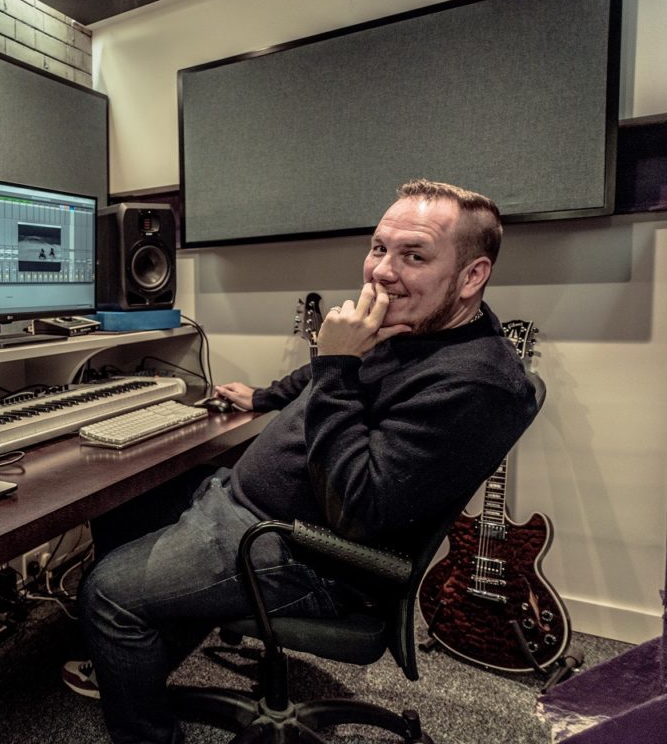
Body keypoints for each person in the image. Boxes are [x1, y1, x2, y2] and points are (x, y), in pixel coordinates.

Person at [64, 179, 540, 744]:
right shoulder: (421, 325)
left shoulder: (478, 384)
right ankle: (146, 650)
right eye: (379, 248)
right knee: (124, 500)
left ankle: (143, 705)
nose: (382, 272)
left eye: (414, 255)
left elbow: (360, 507)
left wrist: (336, 362)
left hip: (307, 552)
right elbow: (340, 377)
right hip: (247, 504)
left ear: (472, 276)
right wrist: (267, 395)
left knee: (108, 593)